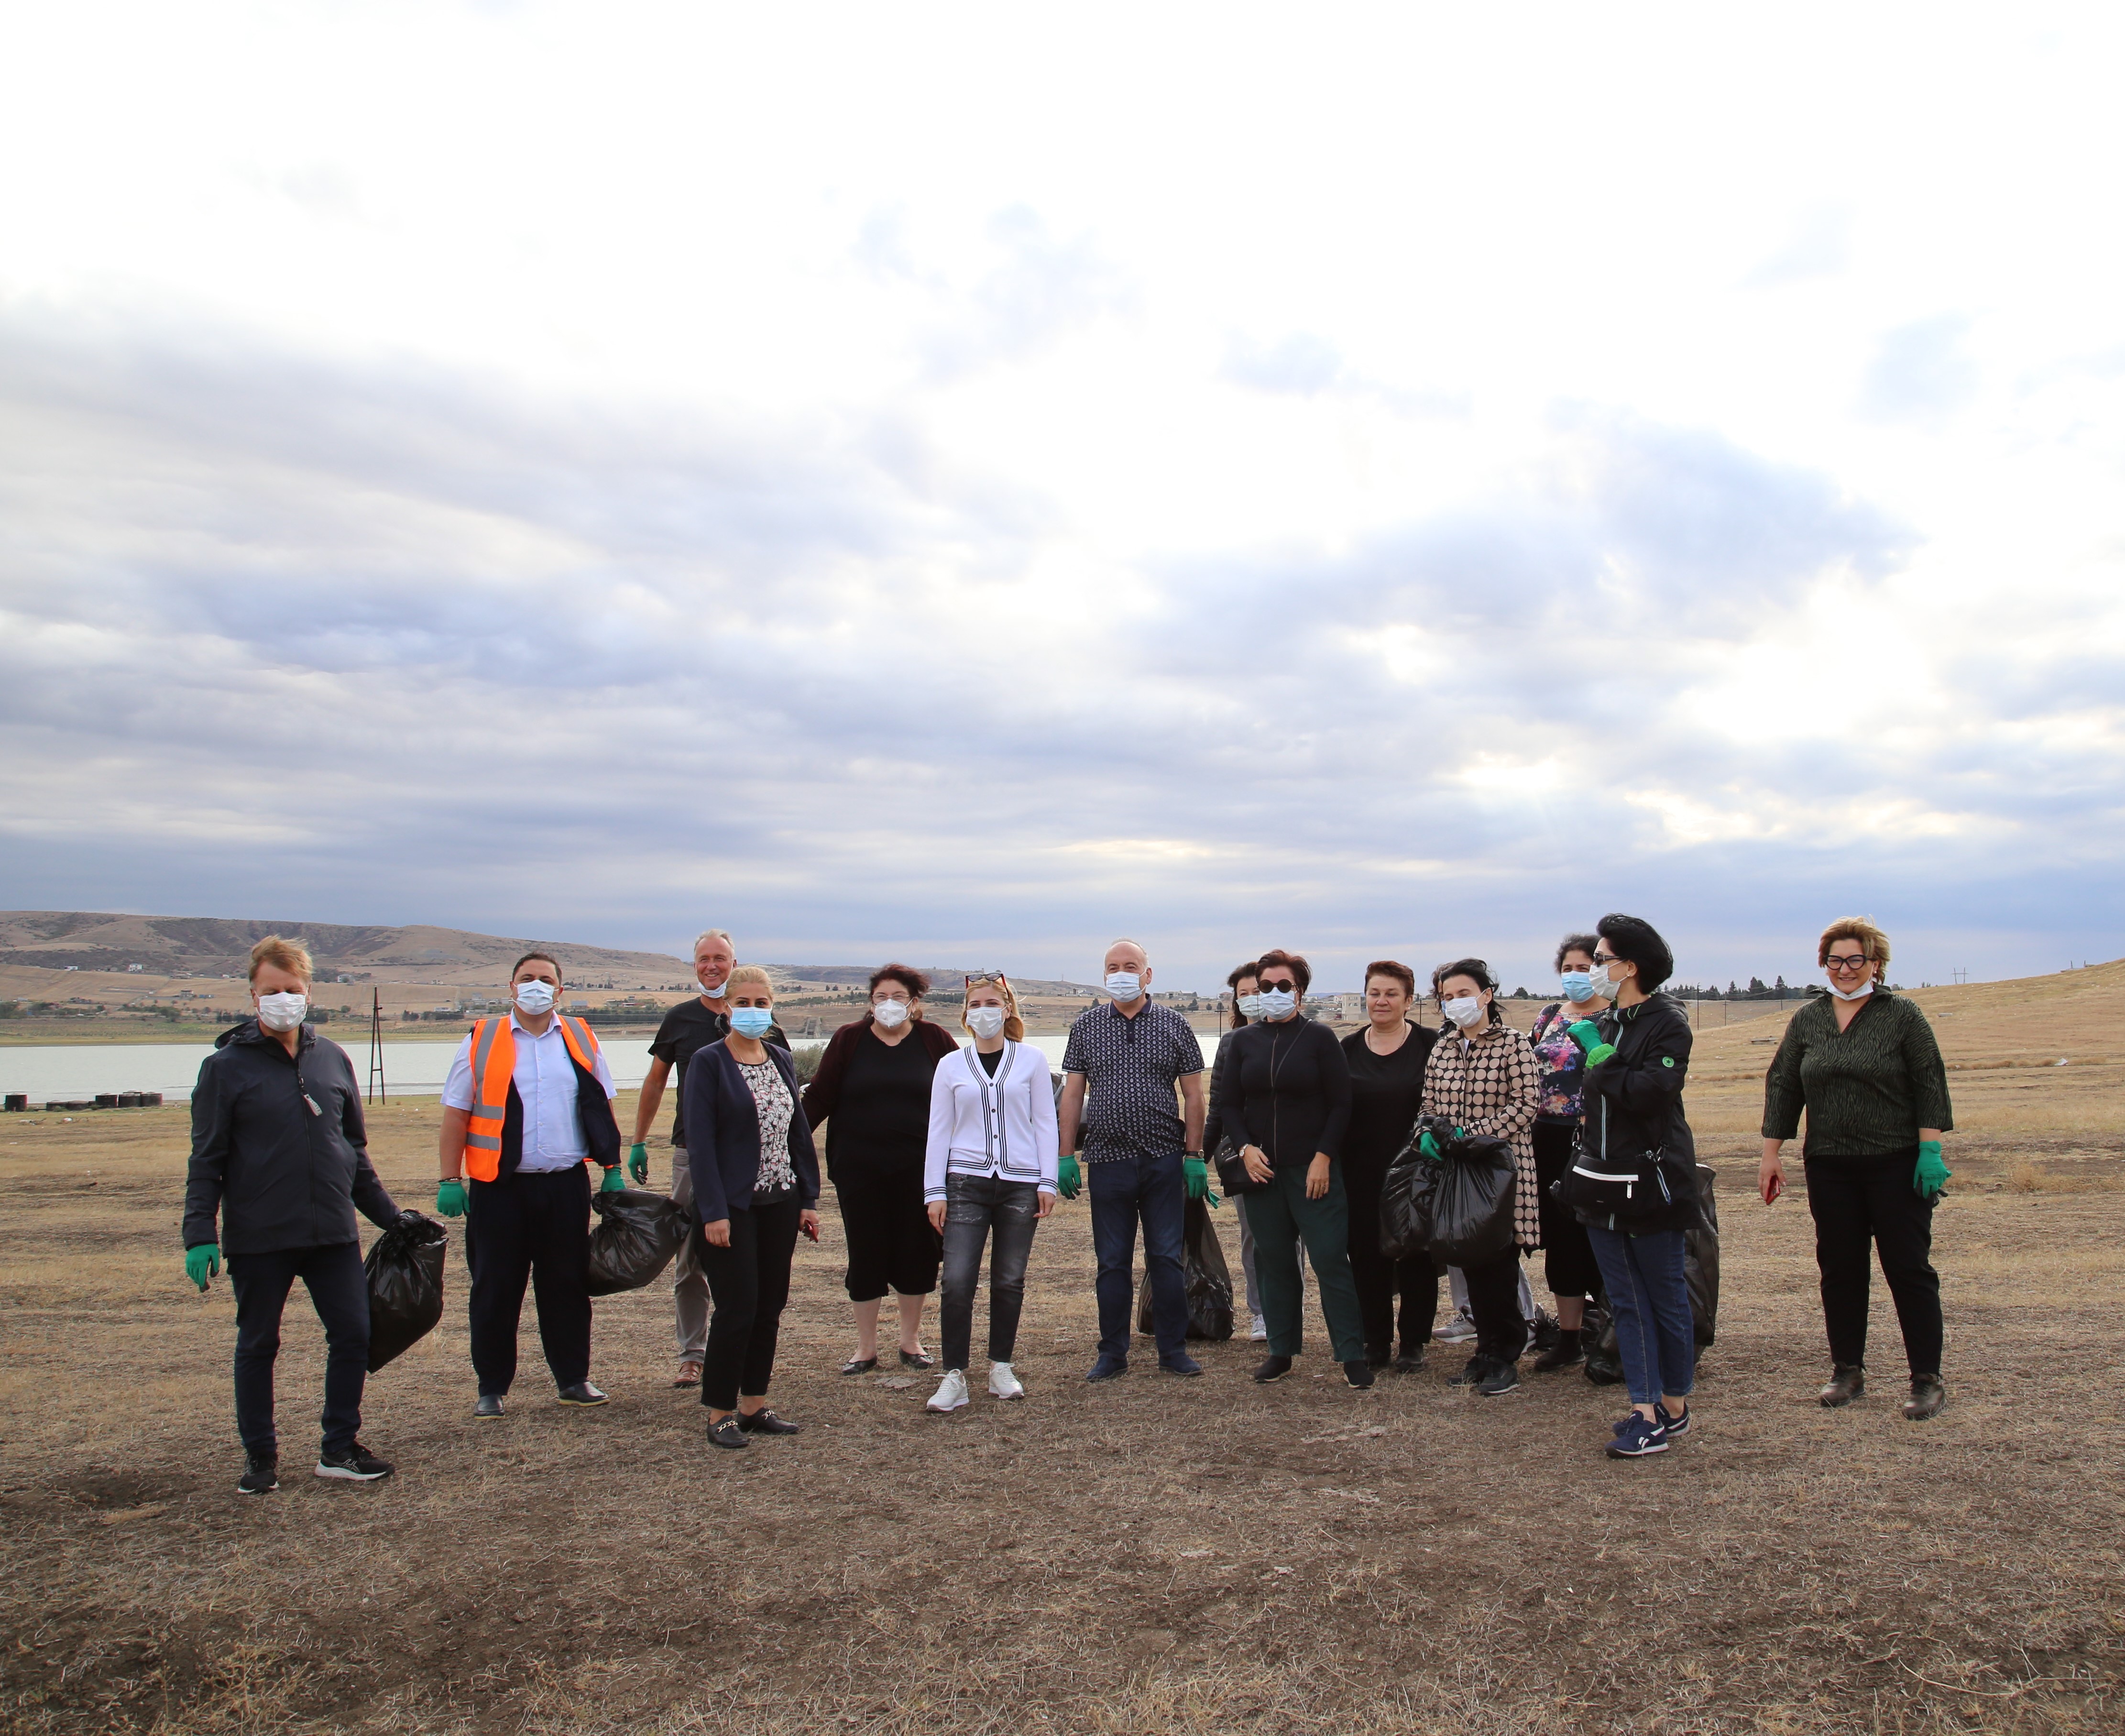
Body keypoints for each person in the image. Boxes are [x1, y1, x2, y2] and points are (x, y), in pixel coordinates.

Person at [182, 935, 404, 1493]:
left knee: (353, 1334)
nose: (283, 999)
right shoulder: (224, 1069)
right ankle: (260, 1458)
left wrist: (392, 1218)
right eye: (272, 990)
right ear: (252, 995)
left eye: (293, 989)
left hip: (332, 1233)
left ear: (309, 992)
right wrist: (199, 1234)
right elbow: (206, 1159)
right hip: (260, 1236)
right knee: (259, 1343)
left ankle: (339, 1448)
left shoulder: (332, 1059)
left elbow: (352, 1151)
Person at [1760, 917, 1954, 1421]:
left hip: (1896, 1164)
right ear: (1823, 964)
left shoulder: (1902, 1016)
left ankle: (1926, 1379)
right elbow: (1784, 1084)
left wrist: (1930, 1151)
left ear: (1876, 964)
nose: (1844, 969)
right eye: (1834, 960)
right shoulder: (1809, 1019)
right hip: (1830, 1165)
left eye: (1855, 960)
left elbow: (1929, 1082)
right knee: (1841, 1269)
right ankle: (1847, 1371)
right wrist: (1771, 1153)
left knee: (1907, 1269)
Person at [437, 952, 624, 1417]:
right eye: (527, 978)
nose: (535, 986)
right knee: (495, 1289)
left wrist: (612, 1167)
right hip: (500, 1188)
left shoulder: (580, 1036)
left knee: (567, 1286)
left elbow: (600, 1104)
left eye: (545, 979)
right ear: (511, 986)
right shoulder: (482, 1039)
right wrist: (450, 1178)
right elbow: (457, 1113)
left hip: (565, 1187)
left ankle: (573, 1380)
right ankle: (492, 1387)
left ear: (560, 990)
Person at [629, 929, 789, 1387]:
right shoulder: (680, 1019)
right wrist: (639, 1139)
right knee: (691, 1257)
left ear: (734, 964)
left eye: (721, 958)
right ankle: (692, 1354)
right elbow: (656, 1081)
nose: (712, 966)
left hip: (755, 1162)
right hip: (693, 1154)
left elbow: (783, 1098)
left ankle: (741, 1349)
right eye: (704, 959)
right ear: (695, 965)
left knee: (748, 1266)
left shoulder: (765, 1024)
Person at [1568, 915, 1702, 1458]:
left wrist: (1601, 1059)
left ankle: (1673, 1403)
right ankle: (1644, 1410)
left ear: (1629, 967)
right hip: (1601, 1180)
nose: (1593, 969)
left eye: (1601, 960)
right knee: (1625, 1299)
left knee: (1665, 1296)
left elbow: (1650, 1093)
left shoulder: (1667, 1024)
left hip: (1652, 1182)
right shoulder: (1604, 1022)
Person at [1212, 949, 1373, 1389]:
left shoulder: (1320, 1039)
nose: (1274, 993)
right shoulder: (1242, 1042)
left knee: (1329, 1260)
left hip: (1313, 1171)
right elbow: (1229, 1105)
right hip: (1261, 1172)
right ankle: (1280, 1351)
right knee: (1274, 1262)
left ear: (1300, 991)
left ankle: (1352, 1355)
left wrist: (1324, 1157)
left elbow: (1341, 1104)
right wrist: (1245, 1149)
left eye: (1284, 986)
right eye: (1266, 986)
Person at [681, 965, 822, 1450]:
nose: (753, 1011)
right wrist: (714, 1212)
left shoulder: (780, 1058)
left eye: (762, 1004)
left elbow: (797, 1132)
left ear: (772, 1008)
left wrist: (808, 1199)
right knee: (737, 1308)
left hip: (781, 1202)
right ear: (726, 1008)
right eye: (743, 1003)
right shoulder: (708, 1062)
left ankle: (754, 1405)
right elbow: (700, 1144)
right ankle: (720, 1412)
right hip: (732, 1207)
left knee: (768, 1308)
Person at [1057, 938, 1208, 1381]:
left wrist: (1195, 1155)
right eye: (1113, 967)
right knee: (1112, 1262)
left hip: (1164, 1159)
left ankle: (1173, 1350)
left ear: (1148, 974)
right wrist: (1065, 1155)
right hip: (1108, 1160)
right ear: (1104, 975)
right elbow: (1072, 1095)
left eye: (1130, 966)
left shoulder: (1175, 1024)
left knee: (1166, 1258)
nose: (1121, 974)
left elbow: (1194, 1095)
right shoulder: (1086, 1027)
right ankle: (1112, 1353)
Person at [801, 964, 955, 1374]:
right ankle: (865, 1348)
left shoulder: (934, 1040)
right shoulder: (849, 1039)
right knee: (865, 1253)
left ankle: (911, 1341)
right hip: (859, 1172)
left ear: (914, 1003)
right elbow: (819, 1098)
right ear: (870, 1003)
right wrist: (787, 1140)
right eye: (881, 997)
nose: (889, 1004)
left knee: (918, 1253)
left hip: (921, 1173)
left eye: (898, 997)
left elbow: (962, 1093)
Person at [921, 974, 1060, 1411]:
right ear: (966, 1014)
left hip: (1021, 1183)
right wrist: (934, 1191)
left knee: (1009, 1279)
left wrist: (1048, 1181)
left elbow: (1046, 1122)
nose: (984, 1012)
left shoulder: (1031, 1060)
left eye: (992, 1003)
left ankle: (1001, 1365)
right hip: (966, 1183)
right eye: (976, 1005)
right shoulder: (951, 1065)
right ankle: (954, 1375)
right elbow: (939, 1130)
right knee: (957, 1281)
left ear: (1007, 1009)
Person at [1418, 958, 1542, 1396]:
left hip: (1501, 1172)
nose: (1455, 1003)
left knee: (1499, 1267)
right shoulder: (1443, 1048)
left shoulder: (1514, 1045)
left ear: (1486, 996)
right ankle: (1485, 1352)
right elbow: (1429, 1102)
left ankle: (1505, 1354)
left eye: (1464, 994)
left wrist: (1471, 1135)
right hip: (1456, 1174)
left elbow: (1527, 1104)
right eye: (1447, 997)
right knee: (1471, 1263)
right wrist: (1428, 1132)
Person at [1339, 960, 1439, 1371]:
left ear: (1409, 1001)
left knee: (1416, 1258)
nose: (1381, 1001)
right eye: (1375, 993)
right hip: (1359, 1173)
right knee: (1366, 1259)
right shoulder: (1346, 1049)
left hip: (1417, 1173)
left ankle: (1413, 1343)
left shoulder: (1432, 1045)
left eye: (1391, 994)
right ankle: (1375, 1341)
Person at [1524, 934, 1611, 1372]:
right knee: (1561, 1238)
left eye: (1584, 968)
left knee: (1599, 1234)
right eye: (1568, 969)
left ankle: (1616, 1331)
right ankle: (1570, 1337)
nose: (1575, 976)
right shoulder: (1549, 1016)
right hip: (1547, 1138)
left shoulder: (1615, 1017)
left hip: (1596, 1140)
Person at [1202, 959, 1272, 1341]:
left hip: (1290, 1151)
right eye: (1243, 995)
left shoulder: (1298, 1037)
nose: (1251, 999)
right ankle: (1261, 1313)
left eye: (1256, 991)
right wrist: (1198, 1157)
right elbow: (1218, 1105)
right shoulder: (1231, 1044)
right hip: (1245, 1156)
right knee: (1254, 1234)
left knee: (1292, 1238)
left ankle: (1286, 1307)